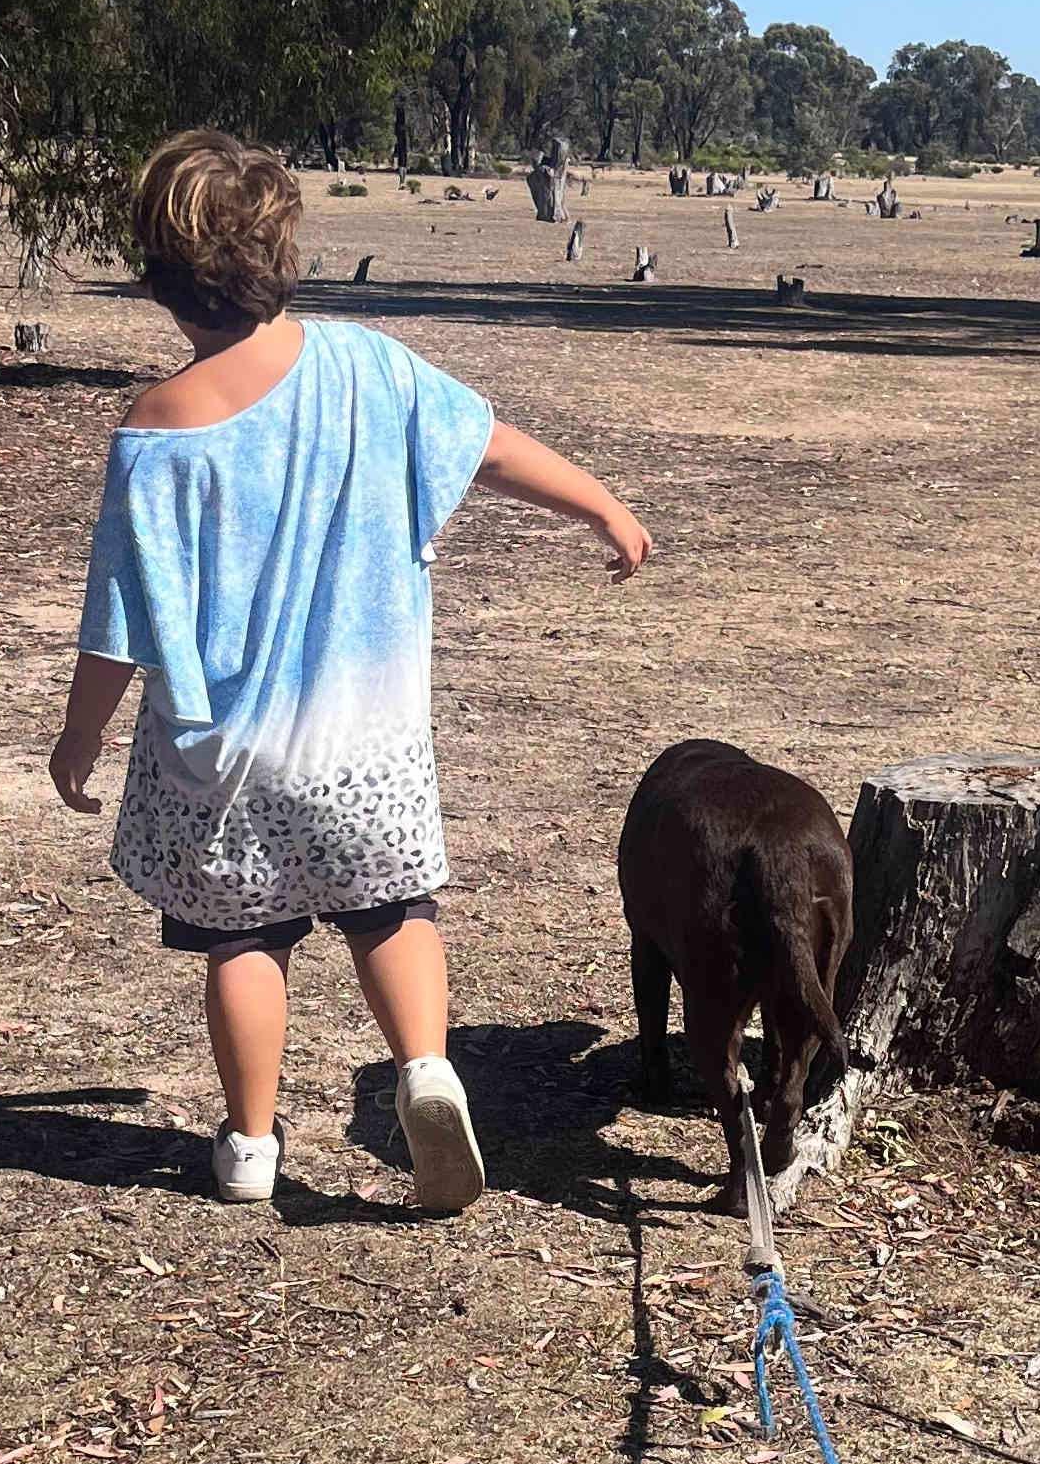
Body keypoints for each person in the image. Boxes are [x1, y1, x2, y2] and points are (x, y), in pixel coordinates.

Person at [49, 129, 651, 1208]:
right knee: (394, 913)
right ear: (284, 252)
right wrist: (599, 504)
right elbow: (494, 448)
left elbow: (119, 624)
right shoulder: (371, 368)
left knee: (241, 940)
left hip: (220, 763)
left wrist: (80, 733)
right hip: (364, 749)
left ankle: (247, 1146)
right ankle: (425, 1070)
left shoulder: (154, 429)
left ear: (158, 281)